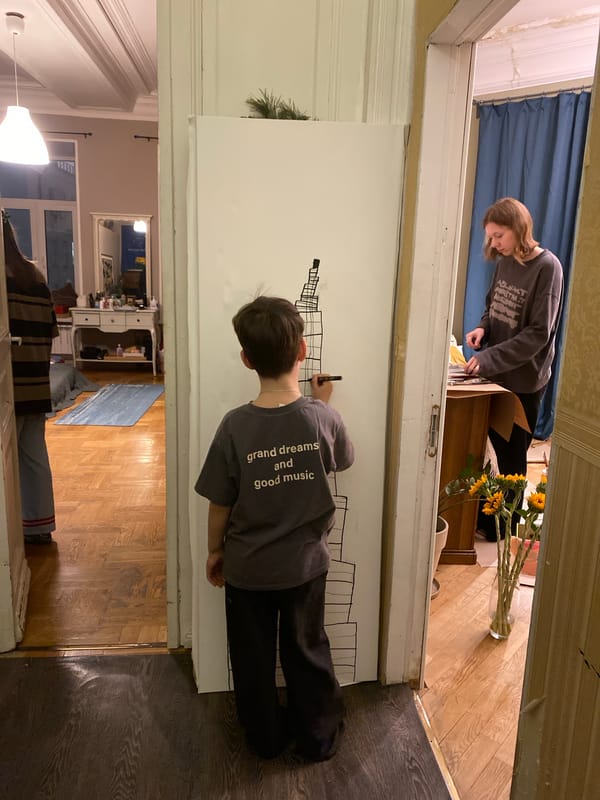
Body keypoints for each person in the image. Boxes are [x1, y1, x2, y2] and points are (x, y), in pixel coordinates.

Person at [194, 295, 354, 761]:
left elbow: (220, 502)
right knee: (307, 651)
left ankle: (264, 738)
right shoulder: (321, 418)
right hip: (305, 568)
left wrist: (213, 550)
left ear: (246, 359)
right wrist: (322, 404)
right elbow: (342, 458)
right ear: (302, 351)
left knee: (252, 659)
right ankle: (318, 738)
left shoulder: (234, 427)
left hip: (247, 570)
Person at [464, 197, 563, 539]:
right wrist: (483, 329)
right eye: (490, 237)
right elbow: (493, 305)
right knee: (489, 452)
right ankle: (482, 521)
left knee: (511, 458)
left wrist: (488, 358)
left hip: (524, 380)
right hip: (497, 373)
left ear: (519, 230)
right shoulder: (505, 260)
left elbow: (538, 334)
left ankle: (502, 531)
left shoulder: (548, 267)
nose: (493, 244)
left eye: (498, 236)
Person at [2, 210, 58, 544]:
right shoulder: (35, 276)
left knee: (8, 463)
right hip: (36, 382)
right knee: (34, 456)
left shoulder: (1, 281)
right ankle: (39, 526)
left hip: (9, 386)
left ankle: (9, 534)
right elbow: (51, 330)